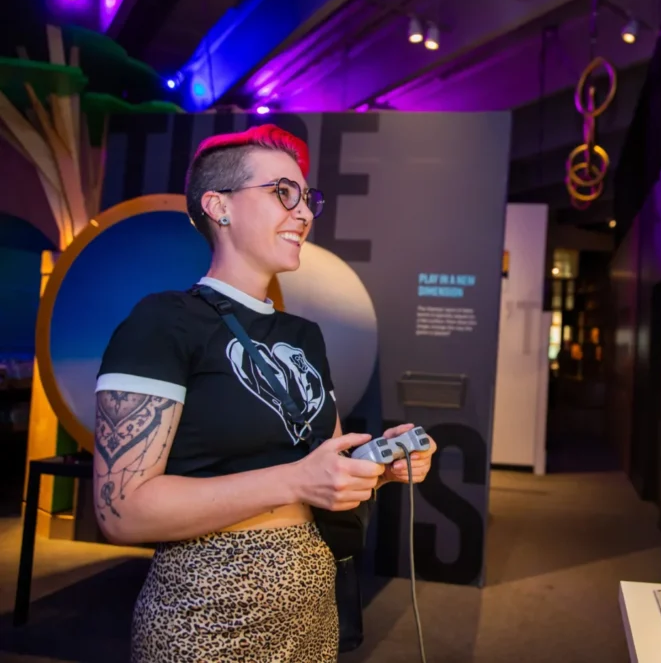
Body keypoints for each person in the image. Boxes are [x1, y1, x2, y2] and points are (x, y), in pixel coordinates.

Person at [91, 124, 437, 662]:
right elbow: (122, 511)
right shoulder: (163, 322)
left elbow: (324, 468)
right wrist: (296, 479)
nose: (304, 214)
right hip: (206, 614)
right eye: (283, 193)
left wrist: (379, 467)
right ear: (218, 206)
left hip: (312, 606)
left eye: (306, 198)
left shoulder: (304, 335)